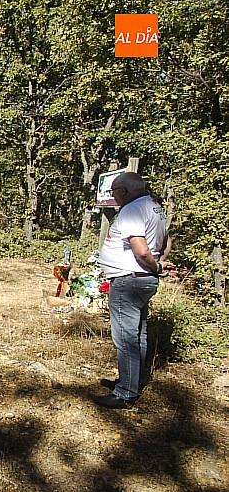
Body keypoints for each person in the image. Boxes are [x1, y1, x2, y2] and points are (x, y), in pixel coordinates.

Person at [95, 172, 176, 409]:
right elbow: (166, 240)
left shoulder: (132, 210)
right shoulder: (154, 208)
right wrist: (158, 264)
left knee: (126, 338)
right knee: (138, 334)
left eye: (114, 193)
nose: (113, 197)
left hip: (128, 281)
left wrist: (154, 265)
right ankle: (130, 381)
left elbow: (141, 250)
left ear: (123, 191)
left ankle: (126, 393)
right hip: (141, 280)